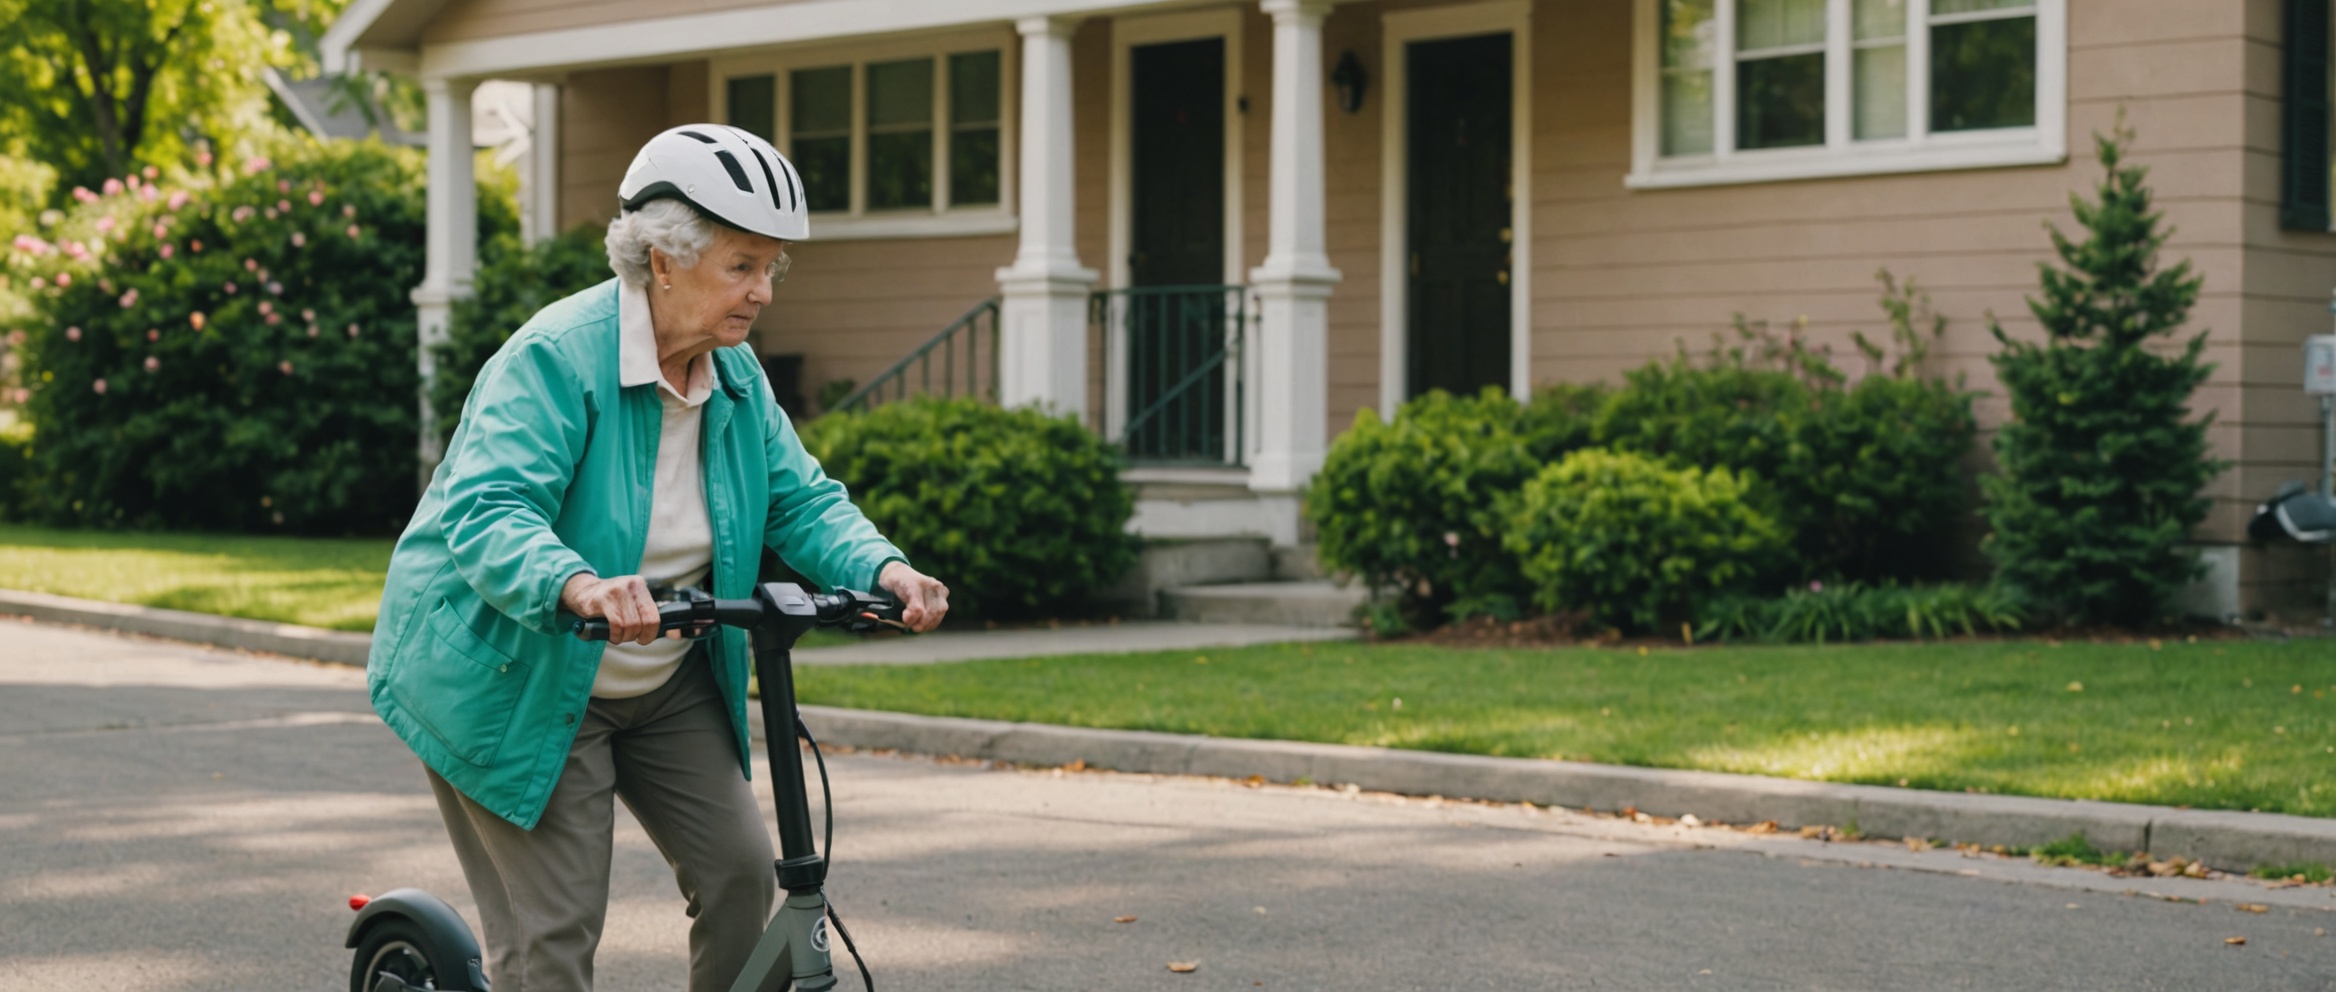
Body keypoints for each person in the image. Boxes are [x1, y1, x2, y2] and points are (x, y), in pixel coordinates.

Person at [366, 124, 948, 992]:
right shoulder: (557, 358)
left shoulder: (736, 377)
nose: (763, 293)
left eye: (770, 268)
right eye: (742, 266)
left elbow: (802, 497)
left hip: (663, 673)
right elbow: (488, 509)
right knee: (553, 932)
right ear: (665, 261)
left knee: (746, 877)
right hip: (523, 673)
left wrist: (883, 569)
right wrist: (578, 584)